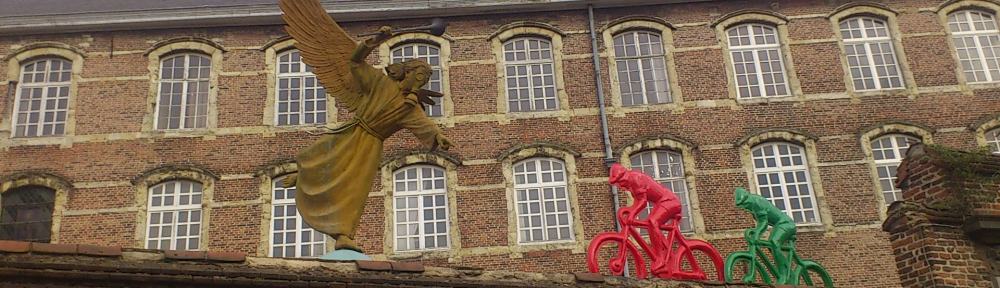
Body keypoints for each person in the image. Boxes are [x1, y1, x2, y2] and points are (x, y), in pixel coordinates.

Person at [282, 21, 454, 252]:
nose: (419, 83)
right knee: (321, 157)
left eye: (423, 81)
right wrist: (375, 41)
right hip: (355, 130)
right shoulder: (379, 82)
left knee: (355, 189)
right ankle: (304, 176)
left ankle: (344, 233)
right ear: (407, 72)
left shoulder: (410, 107)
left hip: (371, 145)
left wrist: (437, 136)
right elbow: (354, 62)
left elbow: (422, 124)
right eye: (418, 77)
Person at [608, 163, 682, 275]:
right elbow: (638, 202)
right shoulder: (631, 185)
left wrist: (632, 213)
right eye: (619, 185)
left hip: (669, 201)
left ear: (624, 176)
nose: (621, 186)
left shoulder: (635, 178)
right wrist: (630, 211)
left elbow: (643, 202)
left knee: (653, 222)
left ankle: (660, 259)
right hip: (662, 202)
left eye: (620, 182)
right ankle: (663, 252)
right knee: (651, 224)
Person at [734, 187, 796, 283]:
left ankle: (783, 275)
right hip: (778, 225)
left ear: (747, 199)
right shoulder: (752, 207)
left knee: (774, 242)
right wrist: (755, 232)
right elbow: (760, 223)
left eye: (744, 204)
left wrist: (757, 233)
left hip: (786, 224)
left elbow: (764, 223)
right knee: (772, 247)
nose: (744, 207)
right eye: (742, 206)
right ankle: (787, 270)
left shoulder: (757, 202)